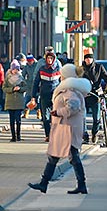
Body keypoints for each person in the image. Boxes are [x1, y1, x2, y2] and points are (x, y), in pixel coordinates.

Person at [28, 64, 91, 194]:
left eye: (62, 74)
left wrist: (58, 112)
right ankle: (45, 183)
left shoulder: (69, 90)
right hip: (67, 127)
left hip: (68, 128)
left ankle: (79, 184)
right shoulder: (71, 89)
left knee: (67, 156)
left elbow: (73, 106)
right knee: (59, 155)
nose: (60, 76)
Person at [81, 48, 107, 143]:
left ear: (93, 59)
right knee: (82, 117)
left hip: (96, 95)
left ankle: (94, 133)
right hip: (84, 96)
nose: (88, 60)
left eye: (90, 58)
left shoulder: (99, 67)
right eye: (86, 58)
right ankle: (84, 135)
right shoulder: (81, 69)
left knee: (96, 118)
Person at [31, 51, 62, 142]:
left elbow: (63, 83)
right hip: (44, 96)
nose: (49, 60)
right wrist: (34, 97)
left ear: (54, 59)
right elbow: (35, 83)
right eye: (48, 58)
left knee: (55, 117)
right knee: (45, 117)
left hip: (56, 97)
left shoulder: (58, 69)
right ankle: (48, 135)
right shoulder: (41, 69)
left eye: (51, 58)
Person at [3, 60, 29, 142]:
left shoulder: (21, 78)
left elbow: (26, 87)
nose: (15, 71)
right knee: (11, 120)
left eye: (17, 69)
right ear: (11, 69)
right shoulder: (7, 78)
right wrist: (12, 89)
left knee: (18, 120)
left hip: (19, 101)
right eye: (14, 69)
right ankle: (13, 136)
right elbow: (4, 88)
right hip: (10, 101)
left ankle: (18, 135)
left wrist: (20, 89)